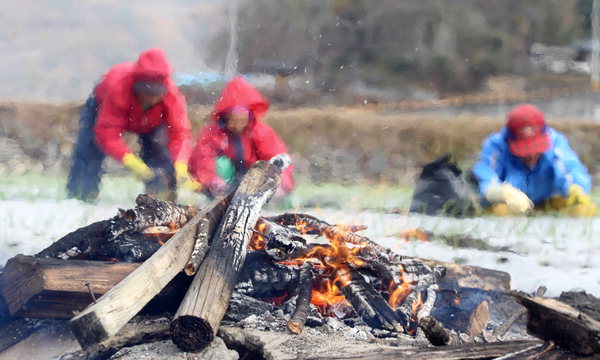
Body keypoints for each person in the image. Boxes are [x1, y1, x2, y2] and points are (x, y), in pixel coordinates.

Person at [66, 48, 199, 202]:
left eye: (156, 93)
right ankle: (81, 196)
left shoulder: (172, 96)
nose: (152, 99)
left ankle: (160, 200)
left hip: (152, 122)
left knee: (161, 154)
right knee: (89, 150)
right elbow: (107, 134)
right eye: (147, 93)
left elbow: (179, 134)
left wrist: (181, 165)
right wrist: (131, 161)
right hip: (102, 108)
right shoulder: (118, 89)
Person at [471, 103, 596, 217]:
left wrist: (576, 188)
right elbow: (486, 177)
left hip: (550, 201)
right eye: (523, 149)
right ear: (509, 140)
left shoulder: (556, 142)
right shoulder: (496, 146)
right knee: (499, 211)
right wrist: (500, 192)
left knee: (582, 210)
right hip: (512, 208)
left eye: (535, 148)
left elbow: (570, 170)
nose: (530, 155)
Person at [189, 76, 295, 200]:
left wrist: (280, 184)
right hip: (224, 186)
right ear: (225, 117)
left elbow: (277, 158)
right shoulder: (213, 134)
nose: (238, 125)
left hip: (253, 182)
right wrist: (211, 180)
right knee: (221, 164)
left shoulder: (261, 133)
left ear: (249, 118)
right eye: (233, 120)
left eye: (242, 120)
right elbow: (202, 159)